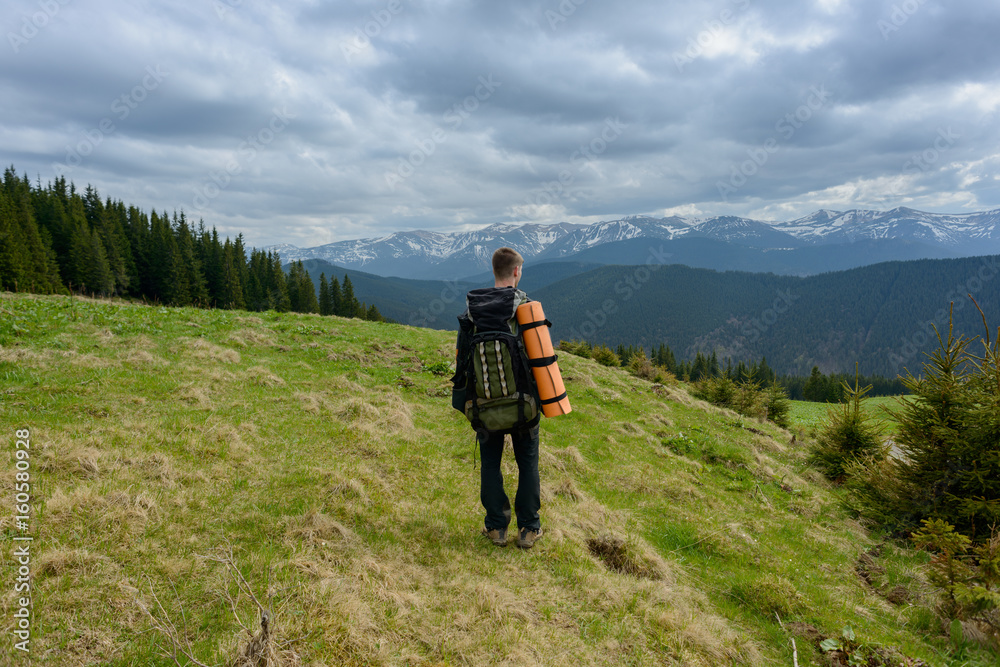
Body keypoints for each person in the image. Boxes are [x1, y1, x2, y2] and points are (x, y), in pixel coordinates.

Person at [453, 247, 543, 549]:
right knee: (527, 463)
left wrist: (466, 402)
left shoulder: (472, 311)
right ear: (516, 271)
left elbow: (462, 360)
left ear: (495, 271)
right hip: (523, 404)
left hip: (485, 406)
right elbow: (540, 358)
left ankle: (496, 528)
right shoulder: (526, 308)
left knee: (490, 463)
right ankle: (529, 529)